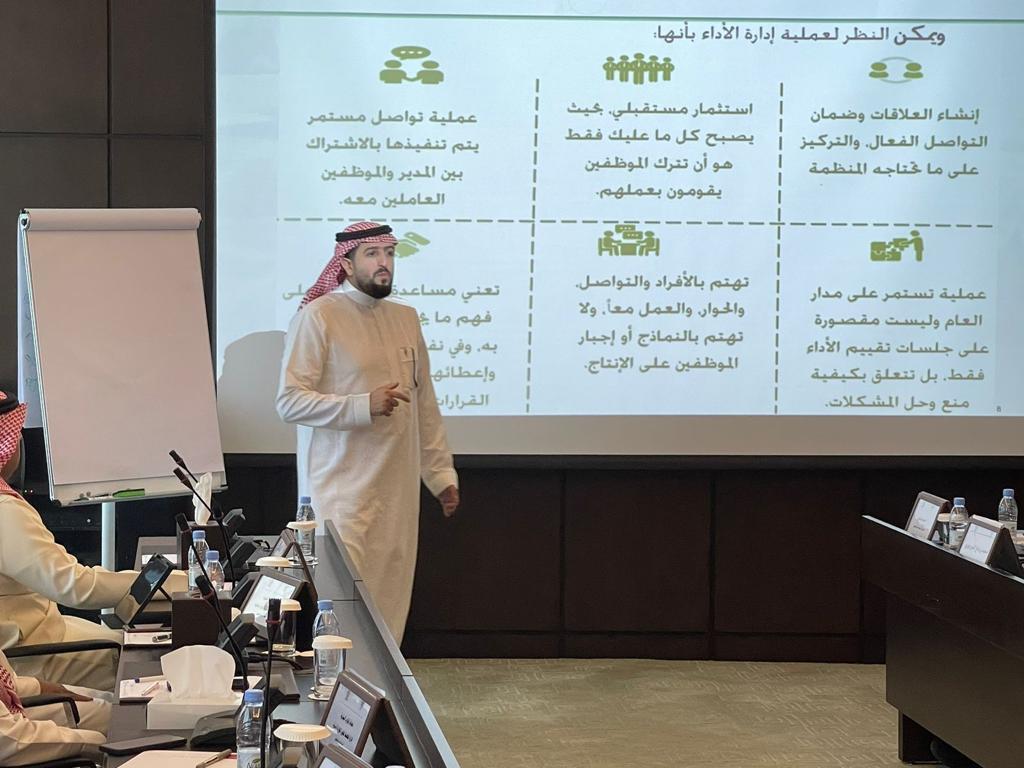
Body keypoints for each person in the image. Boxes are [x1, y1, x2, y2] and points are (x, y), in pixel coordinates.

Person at [277, 221, 459, 642]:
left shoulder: (406, 318)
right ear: (345, 263)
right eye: (373, 254)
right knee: (343, 609)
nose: (384, 263)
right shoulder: (318, 316)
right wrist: (363, 405)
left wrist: (440, 475)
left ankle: (383, 684)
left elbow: (424, 405)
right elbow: (289, 402)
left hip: (395, 495)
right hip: (340, 494)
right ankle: (339, 680)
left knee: (390, 606)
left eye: (390, 254)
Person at [0, 391, 185, 689]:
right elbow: (75, 587)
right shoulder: (5, 512)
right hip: (33, 657)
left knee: (135, 644)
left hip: (35, 637)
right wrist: (177, 584)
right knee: (155, 663)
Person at [0, 648, 109, 766]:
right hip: (11, 735)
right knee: (111, 719)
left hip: (10, 701)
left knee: (110, 703)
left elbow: (9, 681)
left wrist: (39, 687)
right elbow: (11, 739)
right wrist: (97, 743)